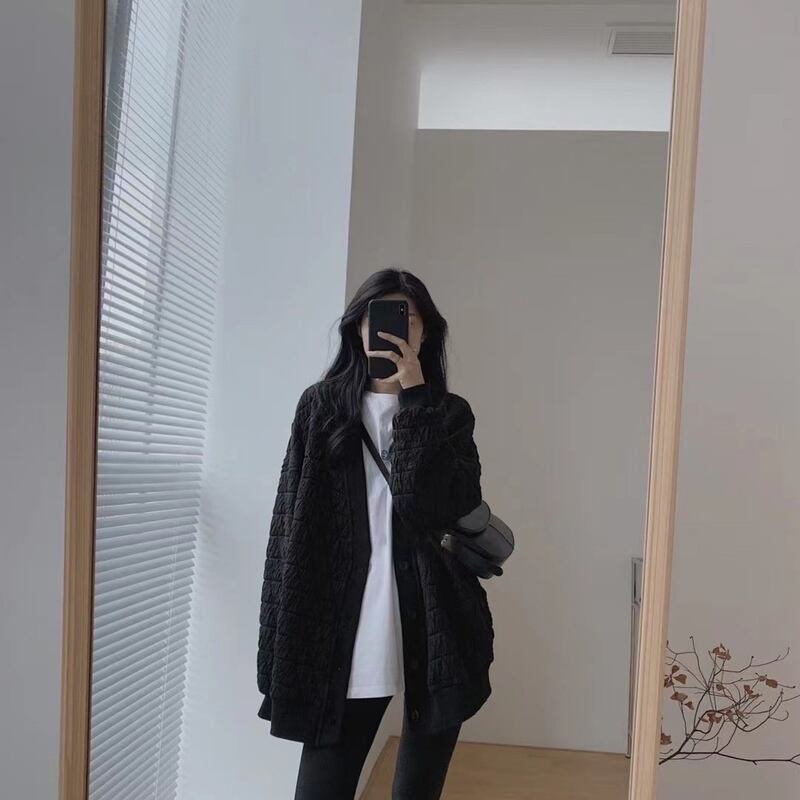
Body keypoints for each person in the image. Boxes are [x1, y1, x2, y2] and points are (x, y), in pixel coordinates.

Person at [257, 268, 495, 800]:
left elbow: (431, 505)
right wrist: (277, 635)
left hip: (435, 619)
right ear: (358, 329)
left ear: (425, 333)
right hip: (347, 622)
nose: (391, 329)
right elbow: (287, 526)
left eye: (408, 318)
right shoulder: (321, 408)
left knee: (417, 790)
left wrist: (415, 400)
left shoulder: (448, 414)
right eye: (377, 317)